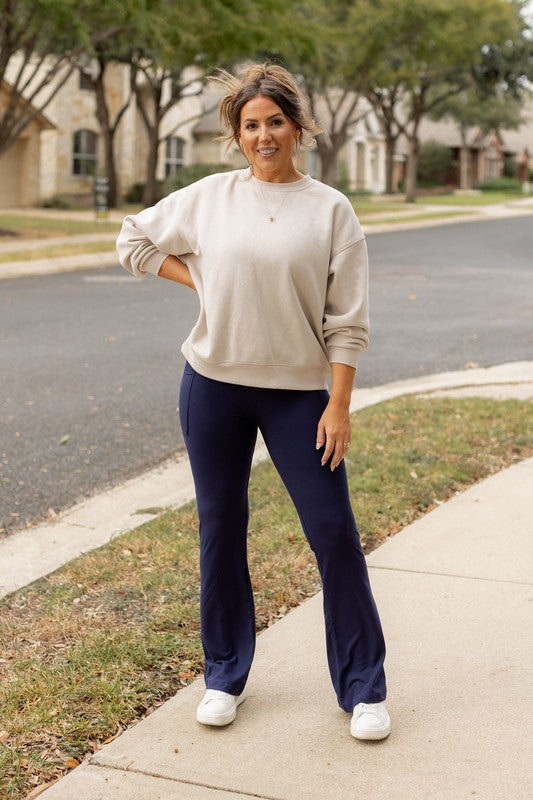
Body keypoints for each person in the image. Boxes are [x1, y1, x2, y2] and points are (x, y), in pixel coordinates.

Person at [116, 63, 390, 741]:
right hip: (212, 385)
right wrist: (202, 284)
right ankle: (223, 675)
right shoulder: (209, 197)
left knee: (333, 535)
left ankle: (363, 688)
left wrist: (338, 402)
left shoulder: (330, 209)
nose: (263, 135)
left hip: (300, 396)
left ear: (297, 128)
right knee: (220, 528)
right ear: (236, 134)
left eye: (275, 123)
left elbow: (346, 320)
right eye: (250, 126)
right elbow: (134, 241)